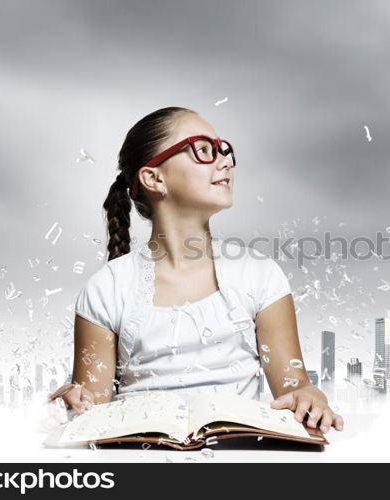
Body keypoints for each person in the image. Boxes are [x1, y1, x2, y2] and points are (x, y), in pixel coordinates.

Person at [48, 107, 343, 435]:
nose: (225, 162)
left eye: (223, 150)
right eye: (204, 150)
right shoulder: (107, 287)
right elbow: (92, 410)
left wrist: (307, 396)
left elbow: (292, 386)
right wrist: (74, 400)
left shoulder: (260, 275)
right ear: (154, 178)